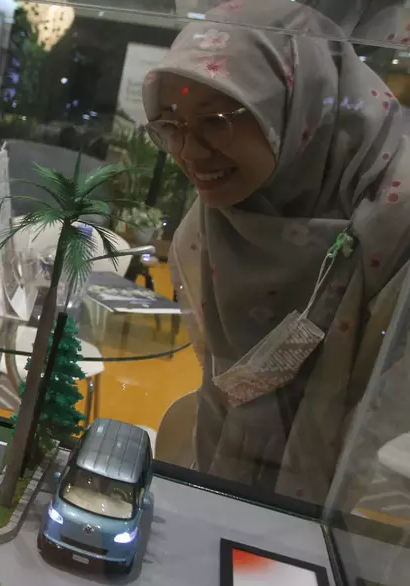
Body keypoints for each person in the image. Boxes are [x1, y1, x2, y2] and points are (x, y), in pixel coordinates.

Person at [142, 0, 410, 504]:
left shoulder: (394, 221)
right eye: (169, 125)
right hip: (222, 478)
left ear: (299, 105)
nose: (189, 153)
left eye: (216, 121)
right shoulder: (209, 222)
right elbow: (222, 389)